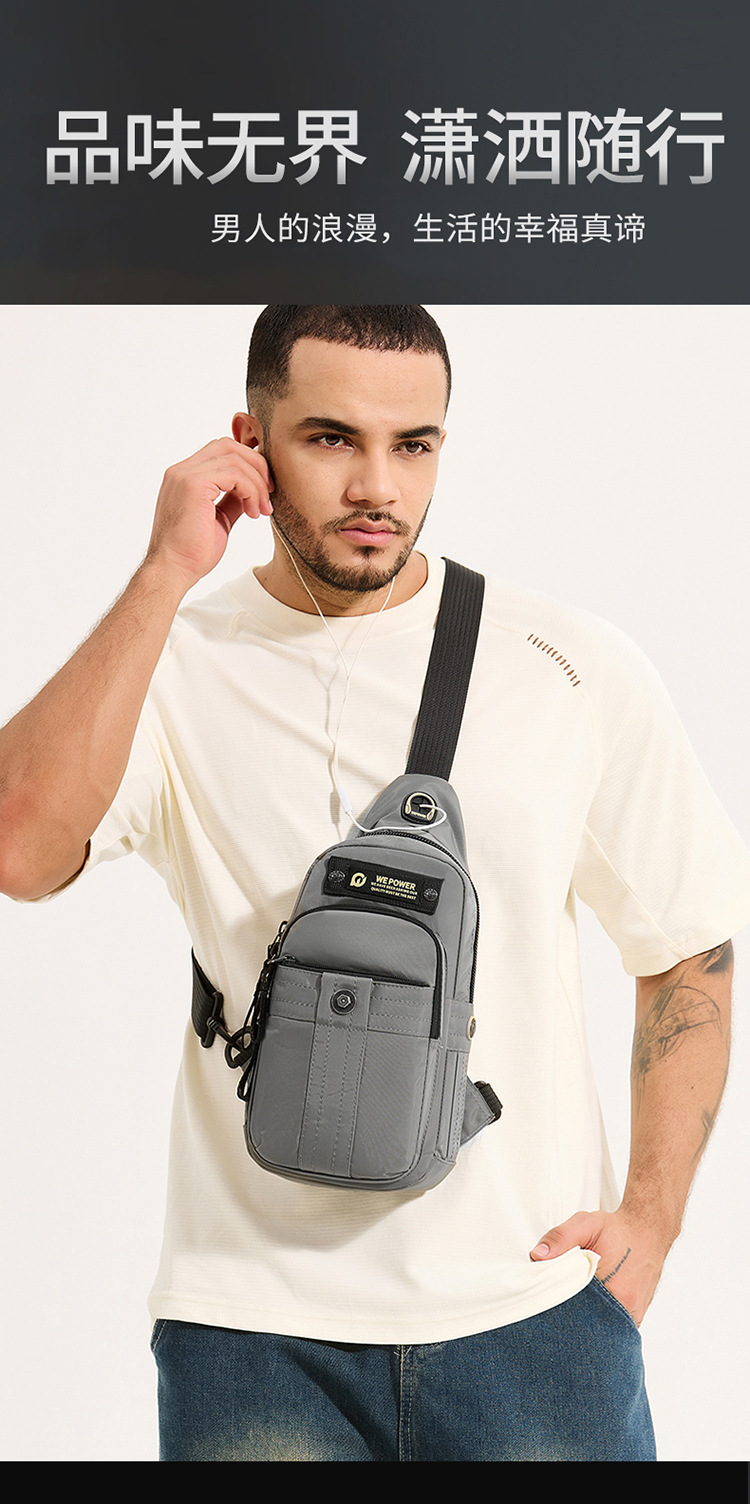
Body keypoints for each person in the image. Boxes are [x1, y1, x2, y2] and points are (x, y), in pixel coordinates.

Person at [1, 305, 748, 1462]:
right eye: (331, 438)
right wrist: (164, 572)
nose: (378, 487)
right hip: (253, 1329)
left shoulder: (565, 666)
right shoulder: (172, 666)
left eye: (415, 445)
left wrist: (653, 1216)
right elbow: (18, 844)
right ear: (250, 443)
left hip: (531, 1313)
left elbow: (691, 943)